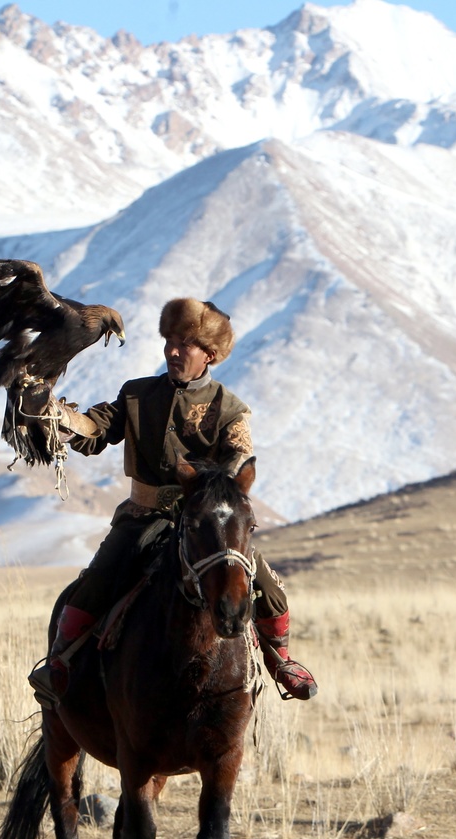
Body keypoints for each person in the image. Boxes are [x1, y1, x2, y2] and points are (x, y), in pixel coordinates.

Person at [27, 297, 318, 707]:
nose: (173, 351)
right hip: (142, 518)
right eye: (169, 341)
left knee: (267, 586)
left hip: (206, 525)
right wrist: (58, 416)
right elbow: (94, 430)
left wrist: (217, 481)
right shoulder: (137, 395)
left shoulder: (230, 409)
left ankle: (282, 661)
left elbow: (238, 459)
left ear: (209, 354)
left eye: (185, 343)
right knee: (98, 579)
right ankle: (59, 664)